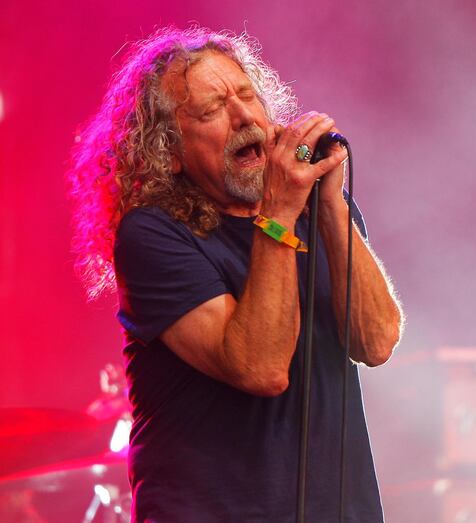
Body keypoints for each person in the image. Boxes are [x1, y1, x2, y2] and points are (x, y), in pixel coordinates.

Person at [67, 26, 404, 522]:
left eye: (248, 97)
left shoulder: (313, 208)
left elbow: (375, 342)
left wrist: (330, 201)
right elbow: (261, 368)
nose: (245, 117)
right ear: (170, 151)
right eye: (212, 110)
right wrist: (282, 210)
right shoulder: (154, 235)